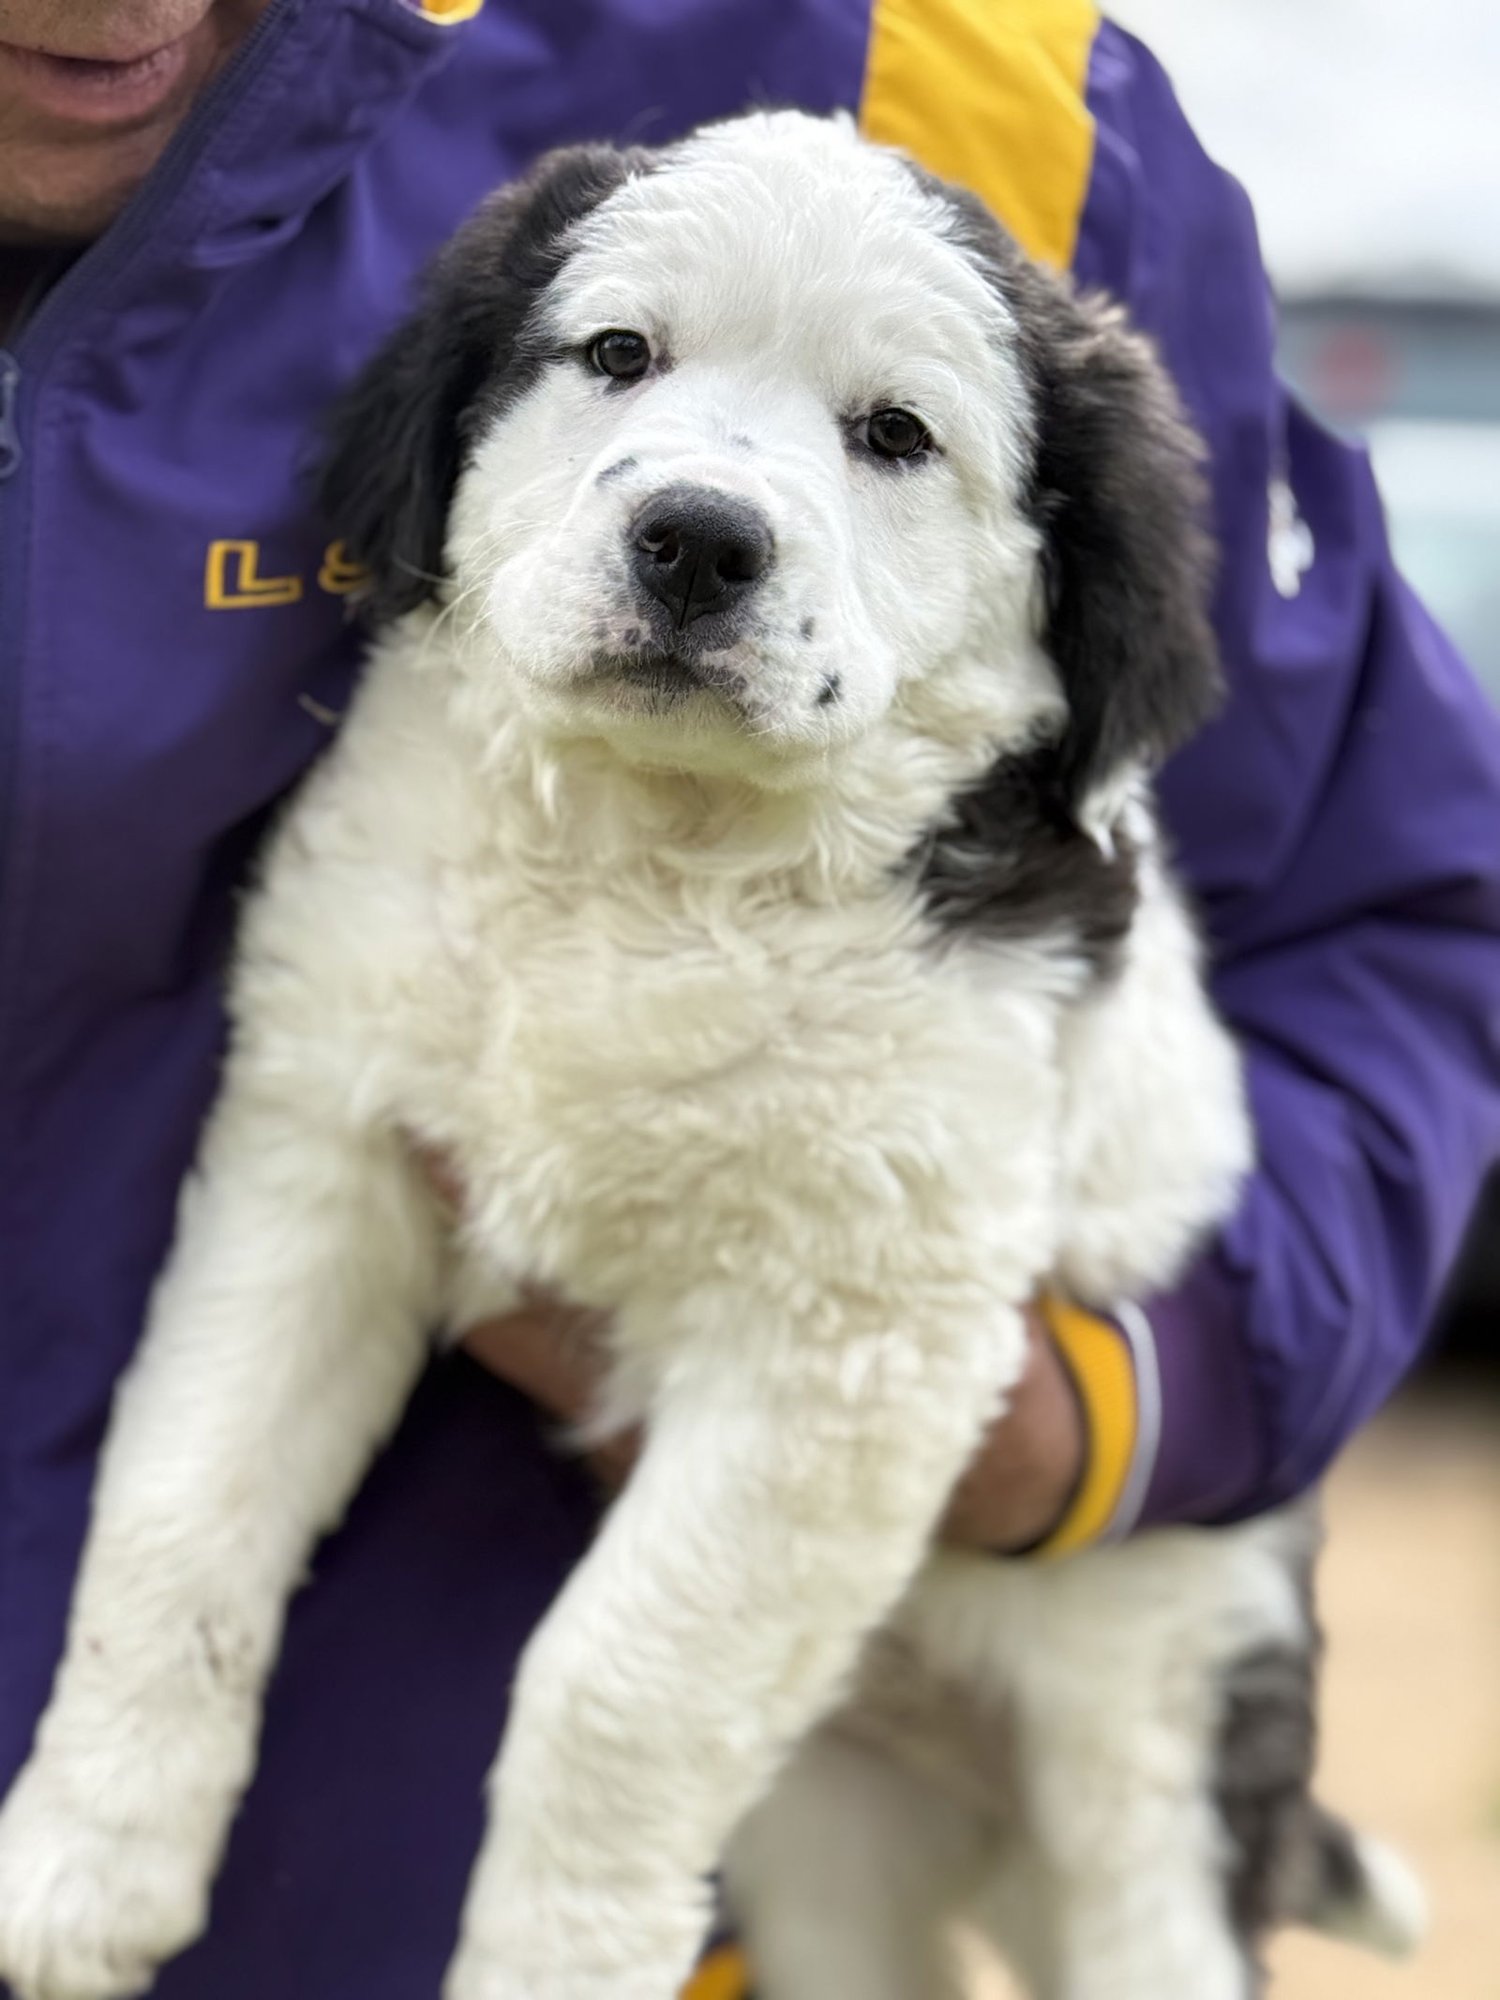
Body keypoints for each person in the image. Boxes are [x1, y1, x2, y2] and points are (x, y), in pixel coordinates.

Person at [0, 3, 1496, 1996]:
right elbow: (312, 1196)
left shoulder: (968, 89)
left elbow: (1385, 904)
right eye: (619, 362)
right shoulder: (436, 763)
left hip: (613, 1818)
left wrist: (1120, 1415)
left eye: (889, 435)